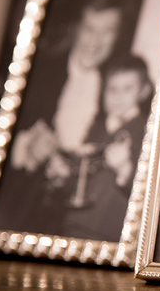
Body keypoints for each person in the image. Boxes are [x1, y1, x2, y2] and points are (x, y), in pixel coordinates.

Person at [0, 0, 126, 234]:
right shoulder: (34, 69)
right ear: (76, 28)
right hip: (9, 210)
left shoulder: (116, 87)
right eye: (90, 29)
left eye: (108, 31)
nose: (96, 42)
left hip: (66, 223)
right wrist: (25, 146)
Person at [50, 55, 153, 240]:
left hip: (109, 232)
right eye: (112, 89)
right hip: (74, 224)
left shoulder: (147, 132)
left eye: (127, 89)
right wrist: (64, 176)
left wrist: (125, 170)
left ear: (144, 91)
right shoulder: (95, 128)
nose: (118, 96)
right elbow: (79, 179)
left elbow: (149, 191)